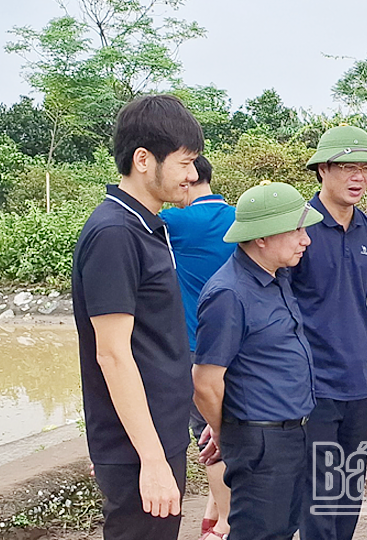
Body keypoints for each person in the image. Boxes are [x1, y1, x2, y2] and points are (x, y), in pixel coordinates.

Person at [71, 94, 203, 540]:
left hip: (156, 433)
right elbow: (111, 354)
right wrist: (148, 458)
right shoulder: (114, 234)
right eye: (186, 163)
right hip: (138, 449)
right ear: (144, 160)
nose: (192, 175)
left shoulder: (149, 226)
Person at [192, 181, 323, 540]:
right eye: (295, 229)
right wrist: (225, 430)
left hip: (291, 432)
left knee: (282, 528)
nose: (305, 239)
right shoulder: (228, 294)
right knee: (259, 532)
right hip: (260, 443)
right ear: (261, 237)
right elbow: (204, 382)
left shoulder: (275, 276)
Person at [292, 126, 367, 540]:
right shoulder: (298, 230)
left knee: (349, 488)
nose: (358, 177)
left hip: (357, 380)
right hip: (312, 384)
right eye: (348, 167)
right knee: (318, 492)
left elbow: (365, 297)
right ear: (323, 170)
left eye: (365, 168)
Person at [159, 155, 235, 540]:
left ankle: (224, 524)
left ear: (187, 181)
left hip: (197, 344)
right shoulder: (239, 217)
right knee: (235, 427)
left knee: (208, 436)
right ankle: (213, 512)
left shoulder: (175, 222)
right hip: (240, 344)